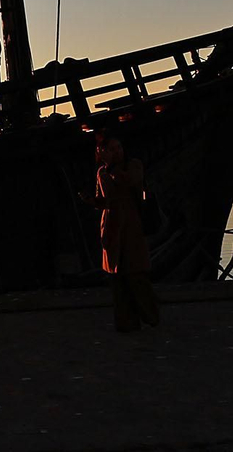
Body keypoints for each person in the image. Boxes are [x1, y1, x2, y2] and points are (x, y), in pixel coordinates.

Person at [85, 134, 160, 332]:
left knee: (136, 274)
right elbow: (104, 199)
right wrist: (92, 201)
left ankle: (150, 316)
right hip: (111, 226)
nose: (117, 151)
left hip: (131, 224)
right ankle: (126, 322)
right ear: (103, 152)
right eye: (112, 149)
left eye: (118, 147)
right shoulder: (102, 172)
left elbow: (130, 181)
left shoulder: (132, 165)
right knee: (117, 279)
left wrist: (113, 170)